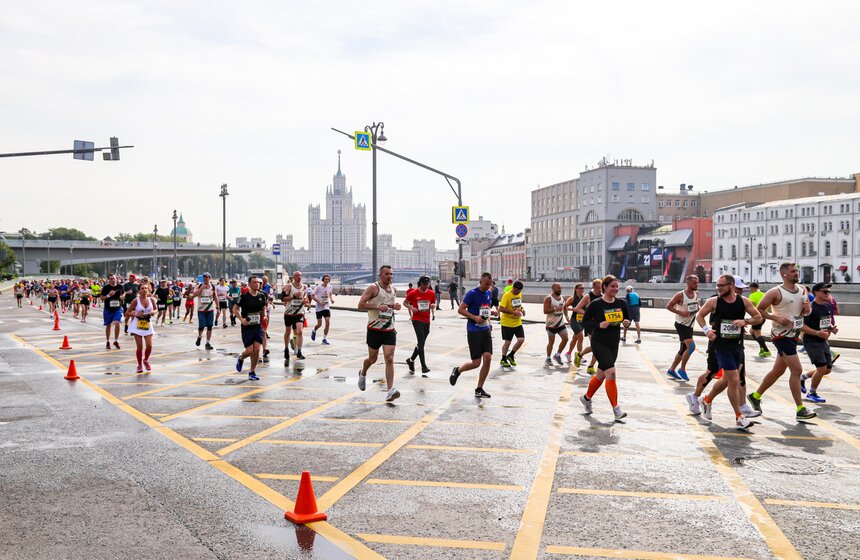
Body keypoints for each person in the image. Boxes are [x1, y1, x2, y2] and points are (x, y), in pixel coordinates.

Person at [747, 262, 817, 421]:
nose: (796, 273)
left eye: (797, 271)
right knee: (797, 370)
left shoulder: (803, 290)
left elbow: (805, 311)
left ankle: (755, 396)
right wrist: (775, 317)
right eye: (793, 271)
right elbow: (759, 310)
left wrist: (808, 310)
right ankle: (800, 409)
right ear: (784, 274)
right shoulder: (775, 292)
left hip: (793, 335)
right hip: (780, 335)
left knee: (778, 371)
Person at [695, 275, 761, 429]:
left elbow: (758, 317)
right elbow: (700, 316)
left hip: (737, 345)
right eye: (717, 285)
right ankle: (739, 417)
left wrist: (746, 321)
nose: (718, 288)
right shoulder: (714, 302)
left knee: (727, 380)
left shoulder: (743, 301)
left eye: (721, 286)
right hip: (720, 345)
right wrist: (707, 331)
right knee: (734, 379)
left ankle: (707, 400)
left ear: (731, 286)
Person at [579, 275, 631, 420]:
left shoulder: (621, 303)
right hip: (599, 342)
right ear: (604, 287)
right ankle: (616, 409)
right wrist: (598, 325)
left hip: (613, 342)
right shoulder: (596, 304)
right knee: (611, 373)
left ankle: (586, 398)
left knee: (601, 375)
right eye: (612, 286)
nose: (615, 289)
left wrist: (627, 323)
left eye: (616, 287)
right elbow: (586, 322)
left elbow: (627, 320)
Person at [357, 265, 402, 402]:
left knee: (389, 358)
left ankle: (390, 390)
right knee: (372, 359)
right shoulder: (373, 288)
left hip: (389, 329)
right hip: (374, 329)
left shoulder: (394, 290)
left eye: (391, 274)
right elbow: (360, 305)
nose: (390, 276)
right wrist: (377, 306)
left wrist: (395, 307)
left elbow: (389, 308)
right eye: (387, 274)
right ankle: (363, 373)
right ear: (380, 275)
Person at [450, 272, 497, 399]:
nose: (488, 286)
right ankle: (458, 370)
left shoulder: (489, 293)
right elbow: (461, 310)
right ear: (480, 282)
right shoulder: (472, 293)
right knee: (476, 363)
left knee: (488, 358)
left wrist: (490, 317)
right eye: (486, 284)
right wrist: (474, 318)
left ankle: (479, 388)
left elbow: (485, 309)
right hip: (474, 331)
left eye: (490, 284)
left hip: (485, 330)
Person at [799, 283, 837, 404]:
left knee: (827, 369)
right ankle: (812, 393)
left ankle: (802, 378)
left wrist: (831, 328)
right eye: (825, 291)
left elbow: (824, 323)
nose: (827, 294)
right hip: (811, 340)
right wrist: (817, 333)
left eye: (828, 292)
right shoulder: (810, 308)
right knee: (821, 368)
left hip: (822, 341)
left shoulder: (826, 307)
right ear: (816, 292)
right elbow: (801, 326)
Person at [233, 275, 268, 381]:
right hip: (247, 327)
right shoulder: (243, 296)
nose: (257, 284)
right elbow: (235, 309)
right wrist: (241, 320)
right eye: (254, 282)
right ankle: (241, 358)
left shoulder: (262, 295)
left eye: (258, 282)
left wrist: (265, 315)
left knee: (257, 350)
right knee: (249, 351)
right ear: (249, 284)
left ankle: (252, 371)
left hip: (258, 326)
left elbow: (264, 307)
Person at [665, 275, 700, 381]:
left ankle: (671, 369)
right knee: (691, 347)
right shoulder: (680, 295)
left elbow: (695, 306)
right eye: (694, 283)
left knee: (683, 349)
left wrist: (699, 309)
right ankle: (682, 369)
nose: (696, 284)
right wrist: (681, 312)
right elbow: (668, 306)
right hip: (681, 324)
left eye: (697, 282)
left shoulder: (696, 294)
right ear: (688, 283)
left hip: (690, 325)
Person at [404, 275, 436, 375]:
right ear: (421, 283)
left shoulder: (431, 293)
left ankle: (411, 360)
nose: (426, 286)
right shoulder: (413, 293)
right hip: (417, 319)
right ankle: (423, 366)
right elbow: (405, 303)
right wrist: (411, 308)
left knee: (421, 343)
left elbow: (433, 303)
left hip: (427, 320)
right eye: (425, 284)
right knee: (421, 343)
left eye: (428, 284)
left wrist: (433, 305)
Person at [573, 279, 604, 374]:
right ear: (594, 287)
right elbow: (577, 308)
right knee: (596, 346)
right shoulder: (588, 296)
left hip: (599, 325)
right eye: (598, 288)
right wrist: (588, 313)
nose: (600, 289)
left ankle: (586, 362)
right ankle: (587, 362)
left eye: (601, 287)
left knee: (596, 347)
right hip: (590, 325)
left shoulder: (603, 297)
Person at [126, 282, 156, 373]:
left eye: (145, 288)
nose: (144, 290)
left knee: (149, 345)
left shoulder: (151, 300)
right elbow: (127, 312)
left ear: (148, 290)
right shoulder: (136, 300)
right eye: (142, 288)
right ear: (139, 291)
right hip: (137, 325)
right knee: (139, 347)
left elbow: (156, 309)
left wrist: (153, 312)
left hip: (147, 324)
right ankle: (139, 365)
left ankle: (146, 360)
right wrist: (135, 313)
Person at [281, 271, 308, 365]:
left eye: (300, 275)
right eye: (297, 275)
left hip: (299, 312)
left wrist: (305, 301)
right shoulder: (288, 286)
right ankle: (286, 348)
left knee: (299, 331)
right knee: (288, 331)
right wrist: (293, 296)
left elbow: (305, 297)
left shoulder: (304, 287)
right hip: (289, 313)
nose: (299, 277)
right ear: (293, 277)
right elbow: (282, 299)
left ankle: (299, 351)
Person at [499, 280, 526, 368]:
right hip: (507, 322)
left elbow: (518, 305)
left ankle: (511, 355)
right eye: (517, 290)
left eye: (520, 291)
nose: (518, 292)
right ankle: (503, 358)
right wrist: (513, 312)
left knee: (521, 340)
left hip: (517, 322)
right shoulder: (507, 295)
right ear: (513, 287)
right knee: (508, 342)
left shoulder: (519, 294)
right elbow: (501, 308)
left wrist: (522, 309)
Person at [544, 283, 568, 367]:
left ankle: (557, 355)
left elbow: (565, 308)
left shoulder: (563, 298)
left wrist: (567, 317)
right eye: (558, 288)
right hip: (551, 325)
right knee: (551, 342)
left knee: (565, 339)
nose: (560, 289)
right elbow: (545, 311)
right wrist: (554, 309)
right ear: (553, 289)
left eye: (560, 288)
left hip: (561, 323)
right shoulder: (548, 298)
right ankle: (548, 358)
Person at [193, 273, 219, 350]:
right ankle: (199, 336)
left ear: (210, 278)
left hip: (210, 310)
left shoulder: (213, 287)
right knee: (201, 326)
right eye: (204, 277)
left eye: (207, 277)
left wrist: (218, 308)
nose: (206, 279)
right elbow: (194, 294)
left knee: (210, 326)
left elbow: (216, 297)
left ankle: (208, 343)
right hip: (201, 310)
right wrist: (201, 288)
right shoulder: (199, 286)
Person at [101, 274, 125, 349]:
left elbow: (123, 293)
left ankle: (116, 340)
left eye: (114, 278)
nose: (112, 280)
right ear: (109, 280)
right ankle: (108, 341)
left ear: (116, 279)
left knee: (117, 323)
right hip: (108, 309)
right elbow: (102, 297)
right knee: (108, 325)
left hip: (117, 308)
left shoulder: (120, 287)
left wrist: (122, 297)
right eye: (111, 279)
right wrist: (108, 295)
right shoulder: (106, 287)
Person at [563, 284, 585, 364]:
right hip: (574, 320)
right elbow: (564, 307)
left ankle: (568, 353)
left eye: (583, 288)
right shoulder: (572, 299)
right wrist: (567, 317)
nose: (581, 290)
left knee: (575, 338)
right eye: (580, 288)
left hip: (582, 321)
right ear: (576, 289)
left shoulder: (585, 298)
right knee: (581, 337)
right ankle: (580, 355)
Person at [748, 282, 771, 357]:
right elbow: (769, 305)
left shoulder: (752, 295)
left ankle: (766, 350)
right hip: (763, 316)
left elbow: (750, 306)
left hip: (757, 317)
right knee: (751, 332)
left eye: (750, 288)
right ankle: (762, 347)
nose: (750, 290)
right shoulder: (763, 294)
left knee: (757, 334)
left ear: (753, 288)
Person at [310, 275, 334, 345]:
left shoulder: (330, 287)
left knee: (328, 322)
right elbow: (312, 295)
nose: (327, 280)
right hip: (319, 308)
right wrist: (319, 302)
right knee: (319, 324)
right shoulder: (318, 287)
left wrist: (331, 299)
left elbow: (330, 294)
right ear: (323, 280)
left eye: (328, 279)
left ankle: (324, 338)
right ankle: (314, 330)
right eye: (325, 279)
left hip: (326, 307)